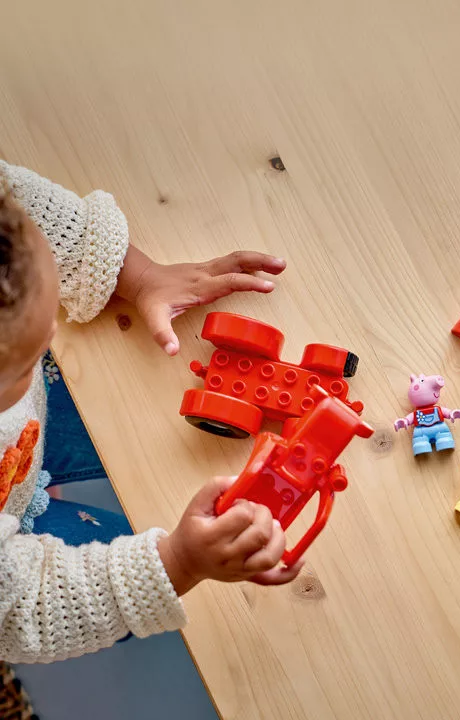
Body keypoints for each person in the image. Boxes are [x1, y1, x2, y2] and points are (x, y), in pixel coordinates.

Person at [0, 160, 303, 664]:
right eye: (26, 360)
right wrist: (178, 561)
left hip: (22, 435)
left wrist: (138, 277)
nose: (53, 333)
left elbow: (18, 202)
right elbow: (20, 612)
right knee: (131, 565)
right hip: (16, 568)